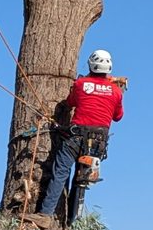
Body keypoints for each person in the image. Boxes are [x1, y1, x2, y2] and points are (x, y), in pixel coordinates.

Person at [36, 49, 124, 220]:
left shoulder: (81, 84)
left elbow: (70, 102)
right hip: (98, 142)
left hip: (75, 137)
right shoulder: (116, 92)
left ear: (91, 65)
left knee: (61, 171)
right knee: (81, 177)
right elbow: (118, 117)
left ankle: (45, 214)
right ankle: (71, 218)